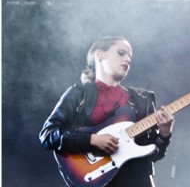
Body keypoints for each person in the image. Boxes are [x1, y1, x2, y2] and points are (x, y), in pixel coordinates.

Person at [39, 36, 175, 187]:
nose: (128, 60)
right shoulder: (79, 94)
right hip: (94, 177)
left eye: (130, 57)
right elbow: (48, 134)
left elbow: (153, 155)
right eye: (121, 53)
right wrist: (91, 140)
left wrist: (164, 134)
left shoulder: (143, 99)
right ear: (99, 54)